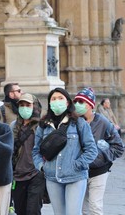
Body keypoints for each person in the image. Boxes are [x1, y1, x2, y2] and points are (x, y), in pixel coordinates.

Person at [32, 87, 98, 215]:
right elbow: (36, 151)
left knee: (73, 213)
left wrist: (76, 165)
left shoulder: (79, 123)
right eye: (53, 99)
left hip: (75, 177)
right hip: (52, 177)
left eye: (60, 98)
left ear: (67, 102)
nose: (57, 101)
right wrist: (42, 167)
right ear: (50, 103)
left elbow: (91, 150)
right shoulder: (43, 125)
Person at [73, 87, 124, 215]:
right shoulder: (73, 123)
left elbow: (119, 147)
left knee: (95, 207)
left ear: (91, 105)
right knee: (82, 208)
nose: (77, 105)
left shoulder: (103, 122)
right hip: (80, 171)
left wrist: (99, 157)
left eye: (81, 102)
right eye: (76, 102)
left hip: (99, 171)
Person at [11, 93, 45, 215]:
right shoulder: (14, 126)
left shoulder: (42, 127)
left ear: (34, 106)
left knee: (33, 210)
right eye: (22, 105)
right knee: (20, 210)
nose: (24, 108)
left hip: (36, 174)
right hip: (18, 174)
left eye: (28, 105)